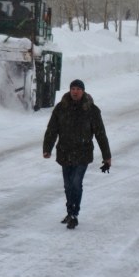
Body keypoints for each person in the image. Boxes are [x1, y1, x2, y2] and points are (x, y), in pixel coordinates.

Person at [43, 79, 112, 229]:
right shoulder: (61, 108)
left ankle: (74, 214)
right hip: (64, 152)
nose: (75, 91)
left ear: (83, 91)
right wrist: (47, 148)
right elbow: (52, 129)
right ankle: (69, 212)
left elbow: (101, 134)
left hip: (83, 153)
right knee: (68, 186)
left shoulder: (92, 110)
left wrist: (107, 156)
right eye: (72, 88)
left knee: (76, 183)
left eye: (78, 89)